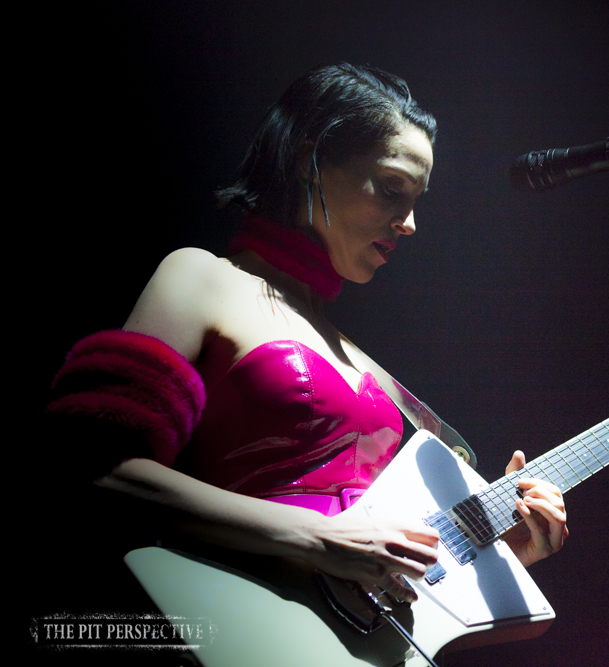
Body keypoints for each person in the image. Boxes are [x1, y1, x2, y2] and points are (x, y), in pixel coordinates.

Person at [47, 64, 567, 609]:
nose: (409, 222)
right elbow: (86, 464)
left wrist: (504, 550)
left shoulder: (359, 360)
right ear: (310, 159)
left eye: (416, 199)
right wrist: (316, 538)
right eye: (392, 188)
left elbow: (382, 572)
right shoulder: (200, 277)